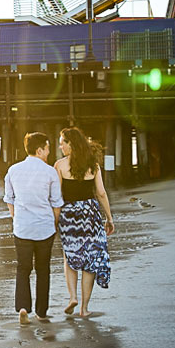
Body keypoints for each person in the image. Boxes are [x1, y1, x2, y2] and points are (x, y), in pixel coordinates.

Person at [4, 132, 63, 324]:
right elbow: (56, 203)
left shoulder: (13, 170)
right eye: (47, 148)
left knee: (23, 268)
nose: (48, 152)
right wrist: (53, 223)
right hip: (44, 227)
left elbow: (9, 199)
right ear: (39, 150)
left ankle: (23, 307)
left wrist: (16, 218)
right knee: (43, 269)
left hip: (22, 227)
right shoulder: (50, 172)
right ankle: (41, 311)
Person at [55, 126, 114, 318]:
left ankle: (72, 297)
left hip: (69, 214)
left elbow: (57, 196)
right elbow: (101, 193)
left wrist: (55, 219)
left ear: (71, 144)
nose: (60, 145)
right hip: (90, 213)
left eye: (63, 141)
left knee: (69, 254)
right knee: (90, 258)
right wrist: (109, 218)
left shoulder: (60, 166)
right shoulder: (93, 164)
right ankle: (84, 308)